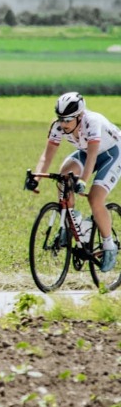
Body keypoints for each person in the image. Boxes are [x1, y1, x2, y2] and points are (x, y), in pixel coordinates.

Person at [25, 92, 121, 272]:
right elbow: (47, 156)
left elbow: (92, 156)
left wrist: (83, 180)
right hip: (86, 152)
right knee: (63, 177)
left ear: (80, 116)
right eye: (60, 119)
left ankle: (109, 245)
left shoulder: (92, 122)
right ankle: (72, 221)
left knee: (95, 198)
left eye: (68, 120)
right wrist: (36, 178)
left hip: (112, 153)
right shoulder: (58, 126)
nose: (63, 124)